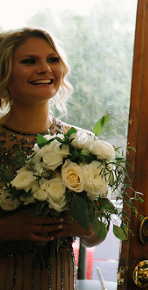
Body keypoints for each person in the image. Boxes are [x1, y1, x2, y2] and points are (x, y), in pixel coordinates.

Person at [0, 28, 104, 289]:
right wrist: (6, 229)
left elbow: (97, 235)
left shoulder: (82, 143)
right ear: (4, 73)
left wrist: (82, 226)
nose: (45, 68)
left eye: (53, 59)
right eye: (29, 61)